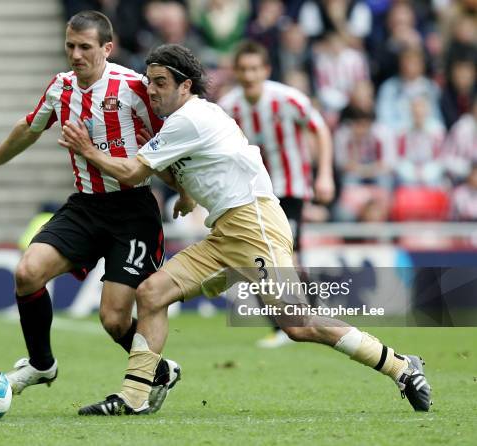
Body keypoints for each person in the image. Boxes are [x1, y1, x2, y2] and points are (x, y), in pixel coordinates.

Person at [61, 43, 432, 415]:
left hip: (255, 225)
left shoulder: (189, 119)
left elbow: (133, 171)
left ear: (185, 86)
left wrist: (88, 149)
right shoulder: (190, 119)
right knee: (152, 293)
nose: (152, 91)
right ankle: (134, 396)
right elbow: (196, 165)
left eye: (160, 82)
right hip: (226, 233)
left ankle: (401, 366)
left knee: (297, 323)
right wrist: (188, 194)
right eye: (150, 82)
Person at [0, 11, 183, 412]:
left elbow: (171, 137)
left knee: (114, 320)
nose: (75, 54)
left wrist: (185, 189)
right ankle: (41, 364)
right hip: (85, 206)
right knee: (27, 272)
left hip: (132, 211)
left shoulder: (133, 88)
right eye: (70, 45)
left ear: (107, 48)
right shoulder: (61, 86)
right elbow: (30, 125)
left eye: (85, 47)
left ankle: (157, 371)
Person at [218, 40, 335, 348]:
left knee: (288, 257)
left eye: (255, 69)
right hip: (252, 192)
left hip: (290, 188)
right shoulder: (228, 106)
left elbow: (320, 129)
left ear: (265, 70)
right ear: (236, 72)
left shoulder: (287, 99)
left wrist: (324, 173)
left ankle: (311, 318)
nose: (249, 75)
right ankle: (282, 327)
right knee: (254, 257)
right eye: (243, 69)